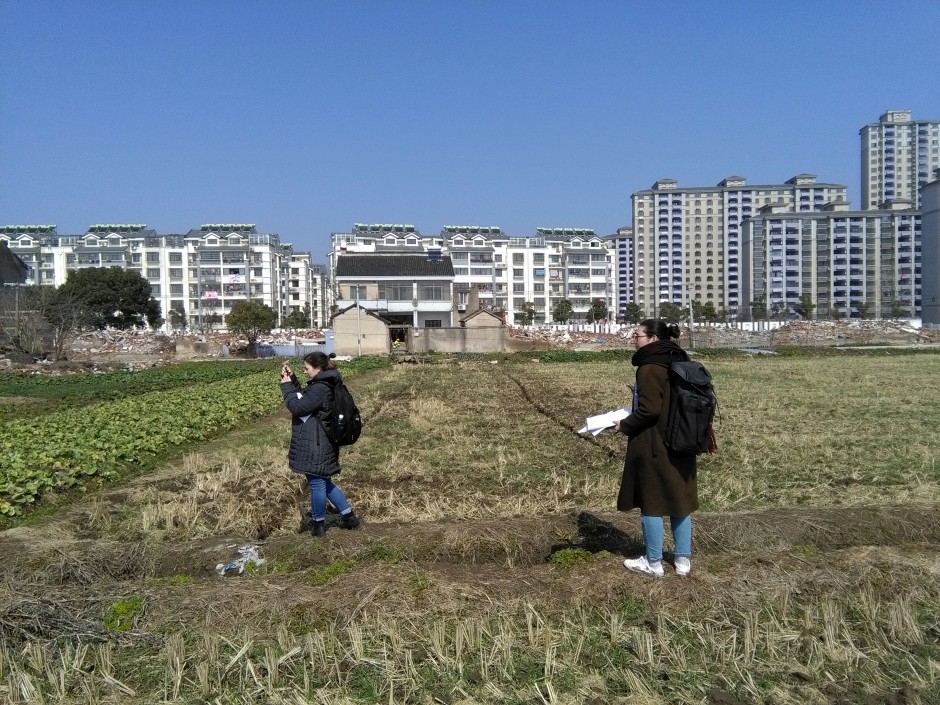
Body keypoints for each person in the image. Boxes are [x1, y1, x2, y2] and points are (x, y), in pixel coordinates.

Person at [613, 319, 697, 578]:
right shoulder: (679, 361)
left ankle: (653, 561)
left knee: (652, 501)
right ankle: (683, 561)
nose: (633, 339)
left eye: (637, 335)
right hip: (683, 439)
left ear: (652, 339)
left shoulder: (649, 367)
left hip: (654, 442)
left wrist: (624, 424)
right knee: (679, 499)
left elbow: (650, 409)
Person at [280, 351, 360, 537]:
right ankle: (348, 517)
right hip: (320, 441)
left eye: (307, 368)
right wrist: (292, 381)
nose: (305, 371)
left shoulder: (321, 388)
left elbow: (299, 407)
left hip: (316, 443)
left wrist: (286, 388)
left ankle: (318, 525)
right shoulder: (323, 384)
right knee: (324, 482)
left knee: (317, 483)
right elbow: (305, 399)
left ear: (317, 368)